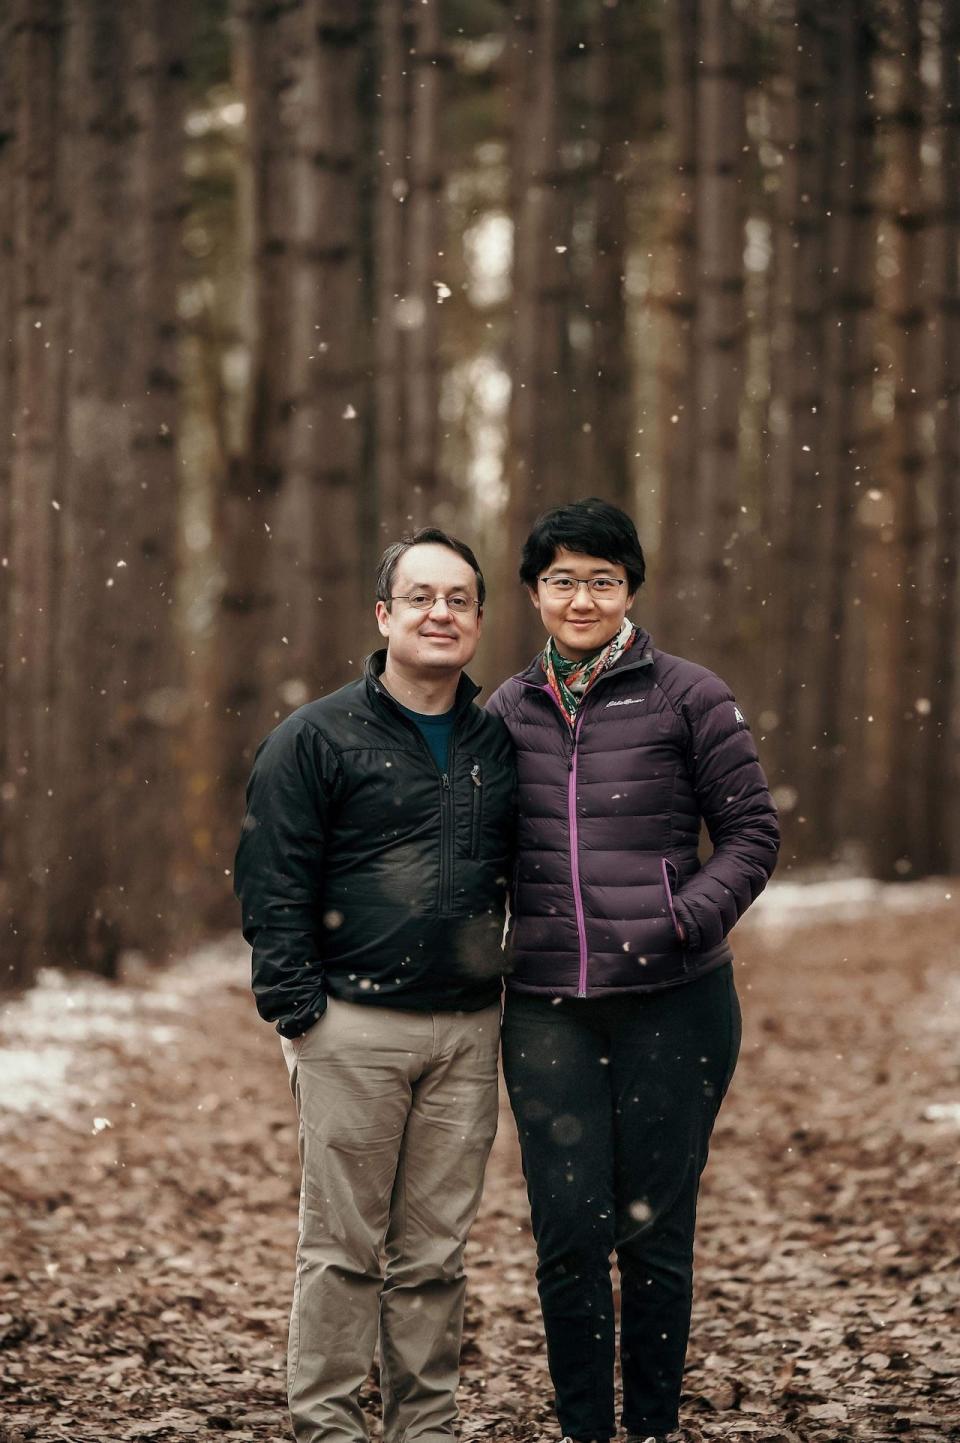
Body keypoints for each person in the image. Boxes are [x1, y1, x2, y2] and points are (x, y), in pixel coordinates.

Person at [486, 499, 779, 1443]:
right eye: (562, 579)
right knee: (568, 1238)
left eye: (602, 579)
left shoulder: (689, 694)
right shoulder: (504, 708)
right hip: (547, 1009)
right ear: (534, 593)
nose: (582, 597)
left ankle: (651, 1426)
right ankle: (585, 1431)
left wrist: (683, 918)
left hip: (675, 1004)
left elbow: (751, 834)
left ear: (630, 590)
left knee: (655, 1235)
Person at [234, 528, 516, 1443]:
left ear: (478, 618)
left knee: (434, 1256)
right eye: (423, 596)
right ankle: (326, 1426)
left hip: (468, 1035)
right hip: (351, 1027)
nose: (443, 613)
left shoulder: (496, 742)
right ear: (385, 614)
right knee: (343, 1251)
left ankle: (422, 1427)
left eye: (461, 599)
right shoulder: (314, 737)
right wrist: (299, 1010)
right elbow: (271, 877)